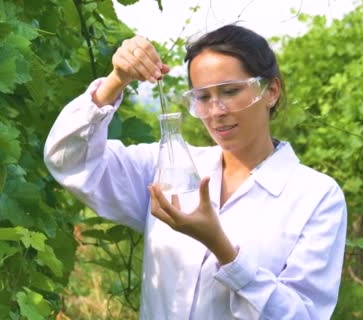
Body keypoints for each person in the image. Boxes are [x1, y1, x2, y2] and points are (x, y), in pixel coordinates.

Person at [44, 24, 347, 319]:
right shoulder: (166, 169)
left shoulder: (316, 196)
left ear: (271, 91)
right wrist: (116, 80)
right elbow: (67, 160)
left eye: (230, 91)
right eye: (202, 97)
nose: (216, 111)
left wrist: (224, 250)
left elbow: (303, 314)